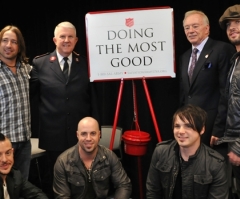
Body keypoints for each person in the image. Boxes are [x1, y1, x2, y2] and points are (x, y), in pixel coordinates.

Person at [30, 22, 99, 181]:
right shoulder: (40, 64)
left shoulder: (86, 64)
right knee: (55, 180)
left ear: (76, 40)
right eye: (62, 36)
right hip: (52, 135)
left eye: (70, 37)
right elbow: (29, 95)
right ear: (55, 40)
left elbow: (94, 100)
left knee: (81, 179)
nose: (66, 40)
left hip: (81, 136)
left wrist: (96, 126)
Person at [179, 10, 236, 151]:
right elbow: (185, 96)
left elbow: (226, 92)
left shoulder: (222, 49)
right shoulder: (184, 57)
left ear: (207, 28)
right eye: (187, 28)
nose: (191, 31)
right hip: (190, 128)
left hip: (212, 128)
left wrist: (219, 128)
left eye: (195, 26)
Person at [146, 104, 228, 199]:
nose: (181, 131)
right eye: (177, 126)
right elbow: (152, 191)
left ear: (202, 129)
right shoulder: (160, 152)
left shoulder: (216, 163)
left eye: (188, 126)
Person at [53, 116, 132, 199]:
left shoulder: (109, 156)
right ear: (77, 135)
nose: (88, 138)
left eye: (93, 133)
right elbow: (62, 196)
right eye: (84, 134)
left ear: (99, 135)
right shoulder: (62, 161)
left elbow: (124, 185)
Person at [0, 25, 32, 180]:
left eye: (14, 41)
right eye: (4, 40)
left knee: (20, 187)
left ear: (19, 47)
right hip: (2, 145)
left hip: (24, 142)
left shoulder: (26, 69)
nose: (8, 45)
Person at [218, 4, 240, 198]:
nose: (232, 27)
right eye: (229, 24)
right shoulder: (235, 60)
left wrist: (238, 147)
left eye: (238, 22)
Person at [0, 132, 48, 199]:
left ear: (12, 152)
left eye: (8, 153)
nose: (4, 160)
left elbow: (37, 194)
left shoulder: (15, 175)